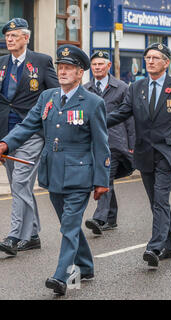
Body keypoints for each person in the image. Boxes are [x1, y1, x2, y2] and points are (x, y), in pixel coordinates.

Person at [0, 44, 110, 295]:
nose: (63, 71)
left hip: (80, 175)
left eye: (69, 68)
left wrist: (102, 180)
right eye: (60, 67)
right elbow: (28, 126)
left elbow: (101, 144)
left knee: (69, 226)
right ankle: (86, 264)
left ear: (80, 73)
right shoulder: (47, 97)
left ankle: (61, 276)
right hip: (53, 173)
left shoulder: (92, 103)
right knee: (67, 224)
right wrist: (6, 143)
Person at [106, 43, 171, 269]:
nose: (150, 61)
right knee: (155, 202)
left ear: (166, 63)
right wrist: (95, 123)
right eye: (147, 57)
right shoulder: (136, 87)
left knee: (161, 199)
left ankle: (155, 246)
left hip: (168, 152)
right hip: (144, 153)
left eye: (155, 58)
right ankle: (169, 244)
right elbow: (122, 113)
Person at [0, 18, 59, 256]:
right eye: (7, 36)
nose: (9, 40)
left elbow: (54, 95)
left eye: (14, 36)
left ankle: (14, 235)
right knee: (18, 187)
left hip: (32, 133)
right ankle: (33, 234)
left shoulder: (41, 61)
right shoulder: (2, 63)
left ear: (26, 37)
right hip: (7, 135)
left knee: (21, 183)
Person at [83, 51, 135, 235]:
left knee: (104, 177)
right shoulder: (86, 88)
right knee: (107, 179)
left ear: (108, 66)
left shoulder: (122, 87)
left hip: (115, 142)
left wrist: (132, 143)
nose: (97, 67)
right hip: (93, 144)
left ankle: (99, 217)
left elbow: (129, 118)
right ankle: (111, 218)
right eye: (94, 64)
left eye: (100, 64)